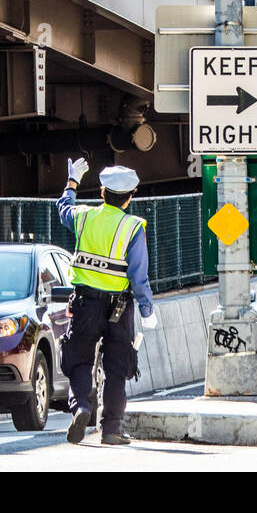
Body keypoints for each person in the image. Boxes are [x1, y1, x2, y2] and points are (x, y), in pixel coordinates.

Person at [56, 157, 158, 445]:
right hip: (120, 308)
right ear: (130, 197)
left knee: (77, 358)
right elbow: (139, 275)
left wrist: (72, 183)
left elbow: (63, 209)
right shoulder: (133, 227)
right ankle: (111, 429)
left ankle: (81, 407)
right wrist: (147, 310)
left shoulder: (84, 217)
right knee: (116, 366)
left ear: (102, 192)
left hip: (86, 303)